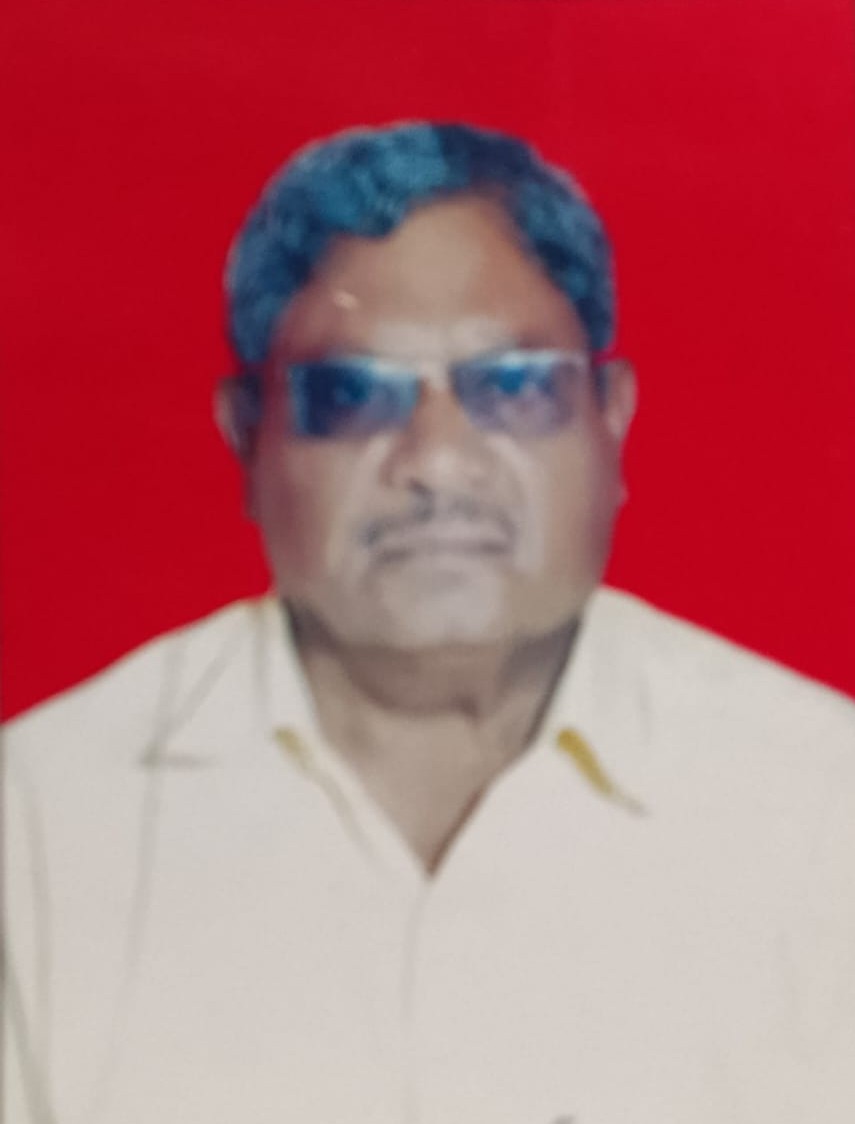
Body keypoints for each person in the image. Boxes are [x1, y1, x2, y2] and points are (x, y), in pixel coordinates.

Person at [4, 121, 854, 1124]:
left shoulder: (820, 806)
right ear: (247, 440)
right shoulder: (41, 824)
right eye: (350, 396)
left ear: (612, 420)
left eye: (514, 385)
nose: (439, 462)